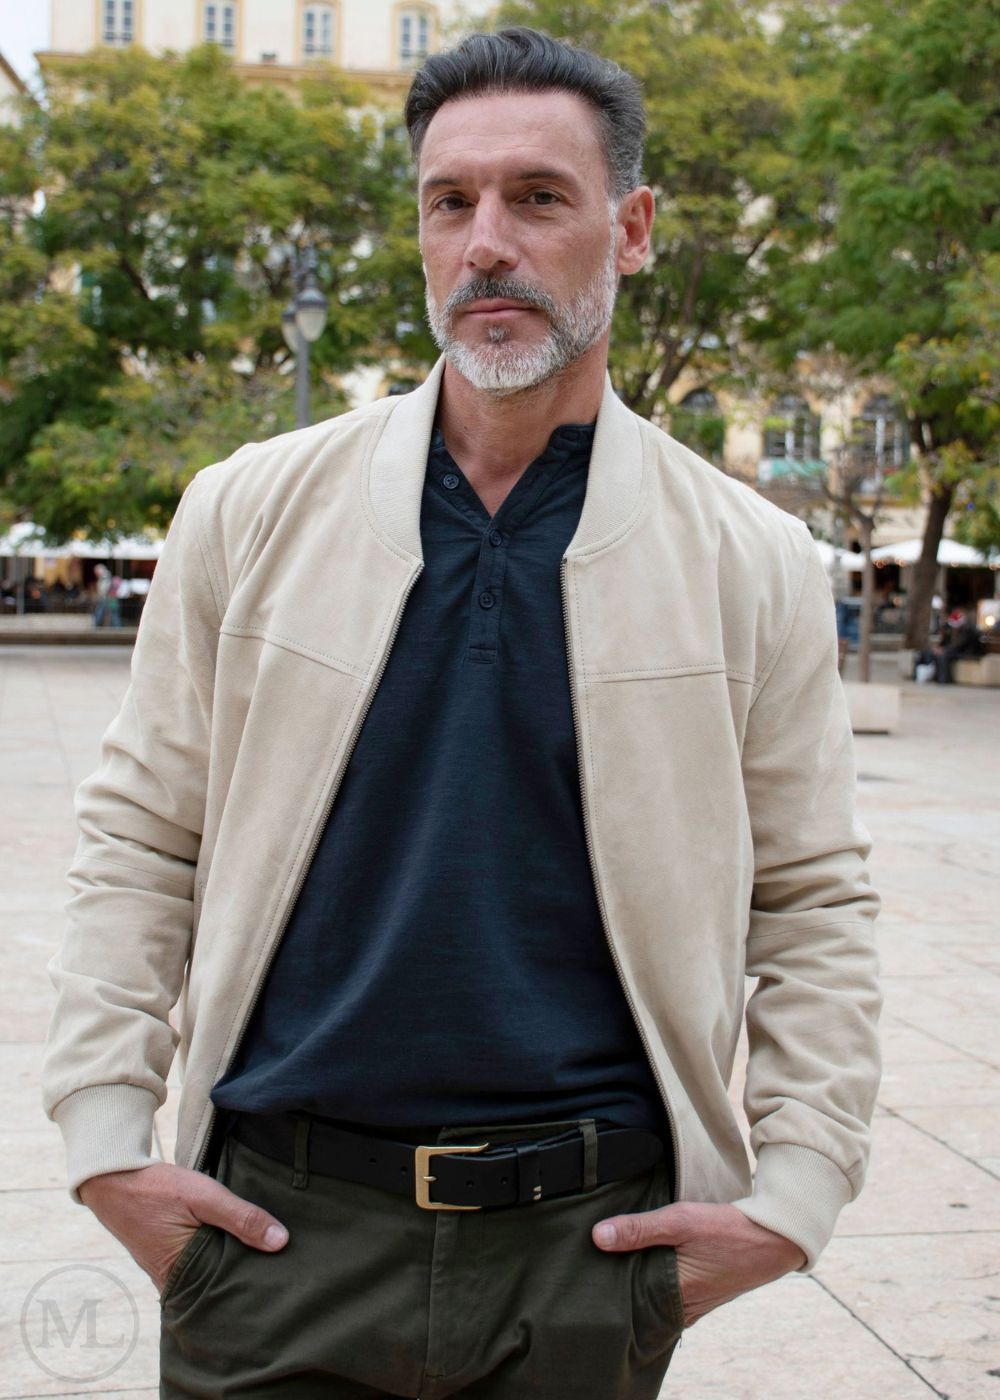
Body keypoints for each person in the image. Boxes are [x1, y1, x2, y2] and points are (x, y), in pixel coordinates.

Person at [41, 28, 881, 1399]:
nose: (489, 241)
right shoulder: (249, 509)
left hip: (588, 1257)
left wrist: (795, 1191)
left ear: (635, 227)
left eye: (539, 198)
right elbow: (143, 834)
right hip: (273, 1239)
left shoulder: (755, 561)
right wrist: (105, 1136)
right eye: (451, 203)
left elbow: (812, 896)